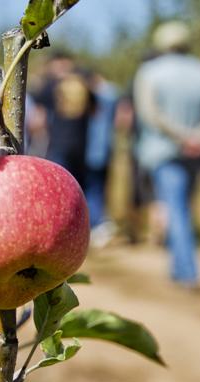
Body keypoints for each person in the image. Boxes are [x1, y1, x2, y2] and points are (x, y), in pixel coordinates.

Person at [133, 22, 200, 287]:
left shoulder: (150, 72)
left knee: (176, 208)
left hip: (164, 152)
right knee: (184, 206)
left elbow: (150, 114)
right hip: (198, 153)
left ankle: (187, 272)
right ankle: (180, 268)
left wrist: (182, 136)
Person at [33, 51, 96, 186]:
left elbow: (39, 118)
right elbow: (95, 111)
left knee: (59, 185)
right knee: (79, 188)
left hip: (58, 145)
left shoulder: (50, 86)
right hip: (80, 145)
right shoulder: (83, 84)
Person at [85, 71, 119, 247]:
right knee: (100, 188)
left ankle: (97, 224)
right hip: (105, 150)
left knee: (93, 189)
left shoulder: (95, 98)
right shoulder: (111, 96)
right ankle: (100, 222)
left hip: (92, 152)